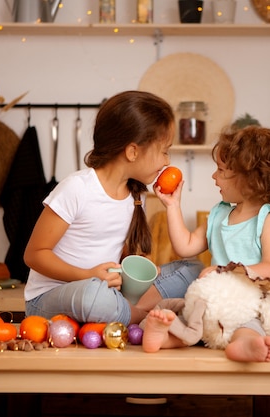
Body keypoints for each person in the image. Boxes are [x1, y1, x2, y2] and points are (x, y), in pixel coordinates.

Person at [23, 90, 203, 326]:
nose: (167, 161)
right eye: (164, 151)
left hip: (107, 290)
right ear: (132, 151)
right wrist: (88, 276)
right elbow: (34, 255)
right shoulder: (77, 188)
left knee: (193, 269)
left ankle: (129, 311)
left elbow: (114, 254)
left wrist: (138, 270)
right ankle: (142, 316)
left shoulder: (134, 195)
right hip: (52, 298)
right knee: (93, 296)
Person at [143, 125, 270, 362]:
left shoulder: (269, 221)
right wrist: (172, 206)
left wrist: (225, 271)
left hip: (250, 300)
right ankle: (166, 337)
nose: (214, 176)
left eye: (220, 170)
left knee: (249, 324)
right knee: (187, 317)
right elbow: (185, 246)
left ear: (251, 180)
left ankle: (245, 344)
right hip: (216, 301)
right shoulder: (219, 215)